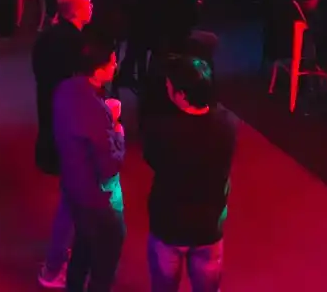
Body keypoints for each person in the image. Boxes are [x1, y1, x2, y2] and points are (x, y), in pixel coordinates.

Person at [143, 56, 237, 292]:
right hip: (209, 225)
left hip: (169, 224)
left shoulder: (161, 129)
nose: (166, 89)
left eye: (169, 86)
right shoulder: (227, 123)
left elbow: (152, 159)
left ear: (182, 95)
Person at [33, 0, 93, 289]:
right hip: (72, 129)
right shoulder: (77, 45)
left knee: (71, 196)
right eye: (88, 1)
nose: (92, 5)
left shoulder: (45, 37)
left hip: (51, 121)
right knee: (73, 199)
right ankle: (54, 266)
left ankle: (60, 258)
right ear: (77, 9)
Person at [53, 38, 125, 292]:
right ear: (97, 70)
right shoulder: (94, 109)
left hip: (72, 182)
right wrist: (117, 129)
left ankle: (73, 285)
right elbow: (110, 164)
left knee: (83, 241)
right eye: (112, 63)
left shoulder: (66, 88)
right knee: (109, 247)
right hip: (95, 193)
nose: (116, 66)